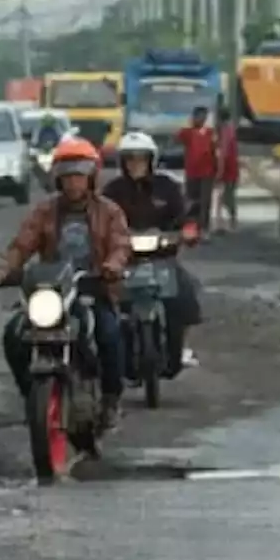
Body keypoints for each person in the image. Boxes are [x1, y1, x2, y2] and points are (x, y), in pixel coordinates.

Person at [0, 137, 132, 426]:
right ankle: (31, 395)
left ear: (91, 176)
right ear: (57, 178)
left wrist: (111, 266)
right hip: (52, 290)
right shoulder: (44, 211)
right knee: (13, 335)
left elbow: (121, 245)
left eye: (79, 174)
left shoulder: (109, 211)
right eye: (67, 175)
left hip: (93, 287)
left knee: (110, 335)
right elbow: (22, 245)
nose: (73, 182)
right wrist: (5, 269)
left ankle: (111, 399)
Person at [100, 131, 204, 377]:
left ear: (151, 160)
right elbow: (99, 220)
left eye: (141, 158)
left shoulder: (167, 187)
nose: (136, 164)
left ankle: (179, 348)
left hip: (162, 259)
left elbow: (185, 214)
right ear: (122, 162)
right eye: (130, 159)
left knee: (185, 293)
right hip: (124, 261)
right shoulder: (112, 192)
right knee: (104, 304)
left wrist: (189, 229)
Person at [176, 105, 219, 234]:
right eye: (198, 116)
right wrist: (190, 124)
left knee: (205, 202)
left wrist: (217, 171)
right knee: (191, 201)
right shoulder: (188, 133)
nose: (201, 119)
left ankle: (204, 228)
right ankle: (191, 228)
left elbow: (215, 151)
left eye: (203, 116)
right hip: (192, 172)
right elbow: (178, 137)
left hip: (207, 173)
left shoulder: (211, 133)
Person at [215, 107, 239, 232]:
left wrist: (219, 170)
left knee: (225, 196)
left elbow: (223, 152)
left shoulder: (226, 130)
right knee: (224, 196)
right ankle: (223, 222)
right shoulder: (231, 129)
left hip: (228, 168)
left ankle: (227, 222)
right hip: (231, 167)